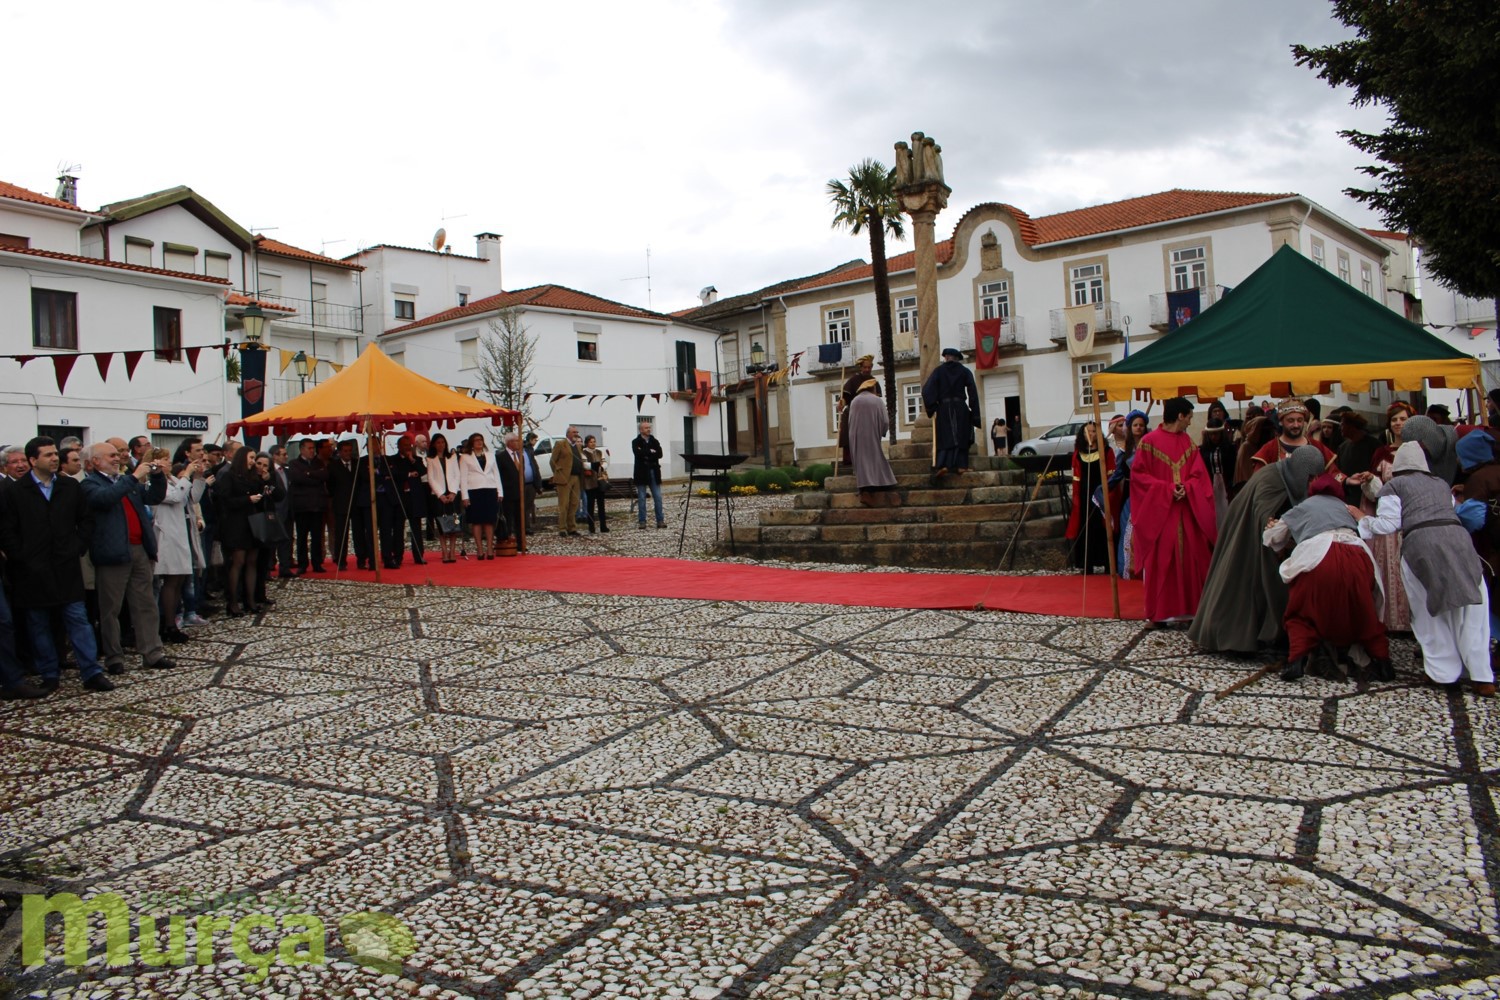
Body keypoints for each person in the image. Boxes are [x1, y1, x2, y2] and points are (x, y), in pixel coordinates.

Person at [1354, 442, 1494, 696]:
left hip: (1422, 544)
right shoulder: (1440, 483)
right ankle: (1482, 676)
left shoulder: (1395, 485)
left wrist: (1361, 520)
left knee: (1428, 611)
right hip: (1459, 541)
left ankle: (1444, 674)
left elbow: (1388, 524)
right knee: (1473, 608)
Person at [1189, 446, 1326, 655]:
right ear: (1300, 471)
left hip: (1264, 536)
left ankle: (1276, 634)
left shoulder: (1286, 474)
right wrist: (1271, 527)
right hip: (1249, 534)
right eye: (1309, 477)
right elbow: (1262, 508)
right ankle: (1233, 638)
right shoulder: (1272, 478)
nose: (1312, 481)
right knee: (1243, 581)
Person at [0, 437, 109, 695]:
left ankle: (91, 671)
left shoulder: (70, 487)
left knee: (77, 619)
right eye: (47, 455)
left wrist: (78, 546)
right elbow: (7, 530)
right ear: (32, 460)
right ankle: (49, 673)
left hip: (66, 565)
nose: (54, 459)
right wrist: (21, 557)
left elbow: (86, 520)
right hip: (31, 570)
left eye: (54, 454)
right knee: (39, 623)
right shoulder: (15, 492)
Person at [1263, 473, 1389, 682]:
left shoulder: (1304, 506)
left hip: (1318, 556)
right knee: (1364, 611)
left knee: (1301, 610)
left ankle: (1297, 661)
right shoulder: (1345, 506)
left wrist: (1272, 526)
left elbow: (1273, 537)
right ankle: (1384, 663)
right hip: (1357, 556)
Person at [80, 440, 176, 673]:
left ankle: (152, 653)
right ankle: (114, 657)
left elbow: (152, 497)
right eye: (111, 455)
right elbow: (105, 499)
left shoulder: (126, 482)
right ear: (95, 461)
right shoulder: (90, 484)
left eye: (118, 455)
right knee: (110, 609)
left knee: (145, 604)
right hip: (112, 552)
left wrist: (159, 476)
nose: (117, 459)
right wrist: (133, 477)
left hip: (138, 550)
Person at [1129, 397, 1216, 624]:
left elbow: (1199, 476)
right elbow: (1138, 478)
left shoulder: (1188, 442)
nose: (1190, 421)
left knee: (1192, 559)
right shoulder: (1148, 442)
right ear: (1180, 416)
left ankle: (1191, 610)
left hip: (1188, 511)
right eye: (1189, 416)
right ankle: (1159, 612)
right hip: (1161, 514)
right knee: (1162, 562)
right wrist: (1167, 489)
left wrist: (1187, 488)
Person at [1456, 431, 1500, 656]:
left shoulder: (1478, 479)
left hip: (1493, 549)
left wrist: (1457, 509)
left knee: (1495, 601)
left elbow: (1473, 520)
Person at [214, 448, 269, 616]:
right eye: (251, 457)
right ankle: (232, 602)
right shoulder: (229, 476)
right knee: (238, 561)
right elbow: (224, 499)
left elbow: (262, 496)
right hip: (236, 523)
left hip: (252, 522)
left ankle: (250, 600)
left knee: (252, 561)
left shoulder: (252, 476)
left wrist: (263, 481)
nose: (253, 461)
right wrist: (247, 499)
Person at [153, 452, 198, 644]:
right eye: (164, 460)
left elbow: (192, 497)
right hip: (166, 535)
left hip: (179, 533)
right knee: (171, 579)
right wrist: (186, 475)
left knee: (179, 579)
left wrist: (199, 478)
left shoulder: (172, 479)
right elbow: (174, 497)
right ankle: (167, 624)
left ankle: (172, 619)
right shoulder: (154, 483)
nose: (168, 463)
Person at [921, 347, 980, 480]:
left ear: (946, 358)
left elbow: (926, 390)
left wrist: (933, 406)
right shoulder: (964, 371)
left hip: (944, 408)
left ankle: (944, 465)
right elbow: (973, 392)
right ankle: (961, 465)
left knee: (945, 436)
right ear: (957, 359)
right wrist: (974, 412)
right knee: (961, 436)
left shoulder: (938, 371)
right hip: (960, 407)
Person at [1067, 422, 1115, 574]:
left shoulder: (1106, 451)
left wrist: (1108, 497)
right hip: (1084, 496)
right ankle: (1087, 565)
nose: (1091, 434)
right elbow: (1076, 479)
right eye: (1088, 431)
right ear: (1083, 433)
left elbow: (1111, 476)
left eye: (1094, 431)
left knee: (1102, 528)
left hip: (1101, 496)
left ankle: (1108, 564)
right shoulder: (1078, 453)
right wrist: (1076, 499)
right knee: (1085, 528)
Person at [846, 379, 899, 506]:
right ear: (873, 389)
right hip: (871, 435)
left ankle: (865, 489)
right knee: (874, 458)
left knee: (861, 462)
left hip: (855, 436)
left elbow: (850, 420)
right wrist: (881, 432)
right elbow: (885, 421)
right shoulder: (877, 400)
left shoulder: (854, 401)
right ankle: (869, 490)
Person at [1251, 398, 1338, 475]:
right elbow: (1259, 480)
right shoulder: (1269, 449)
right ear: (1281, 422)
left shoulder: (1316, 446)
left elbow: (1334, 473)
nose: (1296, 425)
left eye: (1300, 420)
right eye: (1290, 420)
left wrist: (1346, 480)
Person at [1109, 409, 1149, 579]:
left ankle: (1148, 568)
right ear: (1130, 428)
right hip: (1132, 494)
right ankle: (1127, 568)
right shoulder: (1125, 451)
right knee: (1128, 530)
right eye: (1135, 425)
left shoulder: (1150, 447)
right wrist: (1104, 487)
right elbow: (1118, 474)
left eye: (1141, 425)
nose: (1139, 428)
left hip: (1149, 493)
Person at [288, 438, 328, 573]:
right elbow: (297, 478)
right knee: (302, 537)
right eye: (309, 448)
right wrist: (313, 478)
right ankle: (302, 563)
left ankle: (317, 563)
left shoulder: (318, 463)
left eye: (313, 448)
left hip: (317, 505)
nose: (312, 451)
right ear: (302, 449)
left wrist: (309, 474)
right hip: (302, 507)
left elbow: (324, 475)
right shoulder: (294, 464)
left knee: (317, 537)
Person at [459, 432, 502, 558]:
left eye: (481, 440)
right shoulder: (465, 457)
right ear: (472, 443)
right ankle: (479, 549)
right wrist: (464, 496)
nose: (479, 442)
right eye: (476, 440)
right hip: (474, 490)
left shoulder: (491, 455)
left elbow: (496, 474)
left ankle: (489, 548)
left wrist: (500, 491)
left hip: (490, 488)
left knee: (489, 520)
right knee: (476, 521)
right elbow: (463, 477)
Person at [387, 434, 427, 566]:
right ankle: (397, 556)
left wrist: (411, 459)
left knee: (416, 528)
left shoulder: (416, 460)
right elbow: (394, 475)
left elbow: (422, 471)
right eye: (404, 445)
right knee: (398, 528)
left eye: (408, 445)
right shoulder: (392, 460)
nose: (407, 448)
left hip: (414, 497)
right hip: (399, 497)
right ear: (399, 446)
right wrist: (408, 474)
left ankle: (418, 556)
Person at [426, 434, 463, 563]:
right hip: (438, 494)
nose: (441, 445)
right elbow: (431, 478)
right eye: (438, 443)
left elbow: (456, 475)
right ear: (434, 445)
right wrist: (440, 494)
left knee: (454, 523)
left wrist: (453, 492)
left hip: (452, 492)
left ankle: (452, 550)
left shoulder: (452, 457)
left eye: (442, 442)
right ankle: (444, 550)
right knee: (441, 524)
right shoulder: (430, 459)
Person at [1199, 412, 1238, 527]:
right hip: (1210, 484)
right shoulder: (1202, 450)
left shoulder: (1230, 448)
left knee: (1228, 508)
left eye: (1216, 434)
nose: (1214, 437)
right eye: (1211, 434)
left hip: (1227, 483)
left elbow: (1233, 467)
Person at [498, 432, 535, 551]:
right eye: (516, 441)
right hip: (508, 493)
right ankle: (507, 540)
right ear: (509, 443)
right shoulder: (500, 457)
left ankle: (520, 543)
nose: (519, 443)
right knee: (508, 518)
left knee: (521, 519)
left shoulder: (520, 456)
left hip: (520, 492)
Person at [837, 354, 875, 464]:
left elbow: (876, 398)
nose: (867, 369)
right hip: (854, 414)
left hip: (868, 415)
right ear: (861, 367)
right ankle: (851, 461)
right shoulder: (854, 380)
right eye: (865, 367)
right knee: (849, 437)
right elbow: (845, 398)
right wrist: (841, 403)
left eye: (869, 367)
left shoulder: (873, 381)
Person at [1402, 413, 1459, 486]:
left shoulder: (1459, 440)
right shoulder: (1423, 456)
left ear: (1428, 438)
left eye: (1419, 445)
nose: (1418, 450)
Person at [1336, 411, 1378, 506]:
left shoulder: (1374, 445)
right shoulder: (1342, 448)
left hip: (1369, 496)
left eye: (1343, 425)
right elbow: (1338, 472)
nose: (1340, 428)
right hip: (1348, 497)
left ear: (1352, 426)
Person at [631, 421, 665, 529]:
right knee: (642, 498)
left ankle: (660, 520)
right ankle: (642, 521)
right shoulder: (636, 442)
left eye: (649, 427)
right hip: (641, 473)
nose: (648, 429)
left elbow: (659, 454)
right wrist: (651, 452)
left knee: (658, 497)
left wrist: (647, 453)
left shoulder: (655, 441)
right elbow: (639, 454)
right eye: (646, 428)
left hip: (654, 472)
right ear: (641, 430)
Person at [268, 444, 296, 579]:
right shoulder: (270, 472)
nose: (286, 457)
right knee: (272, 541)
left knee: (287, 540)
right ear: (275, 456)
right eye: (283, 454)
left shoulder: (286, 471)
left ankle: (285, 567)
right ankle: (268, 567)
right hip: (275, 511)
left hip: (288, 510)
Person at [1233, 414, 1276, 490]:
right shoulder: (1247, 447)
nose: (1271, 434)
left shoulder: (1267, 446)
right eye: (1267, 431)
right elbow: (1246, 475)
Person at [581, 434, 610, 533]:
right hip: (589, 481)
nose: (593, 444)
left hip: (599, 479)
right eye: (591, 442)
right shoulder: (583, 452)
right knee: (590, 505)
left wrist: (602, 467)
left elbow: (604, 462)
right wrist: (594, 465)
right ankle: (591, 526)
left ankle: (603, 526)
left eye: (594, 441)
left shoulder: (599, 452)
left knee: (601, 504)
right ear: (587, 443)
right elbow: (584, 464)